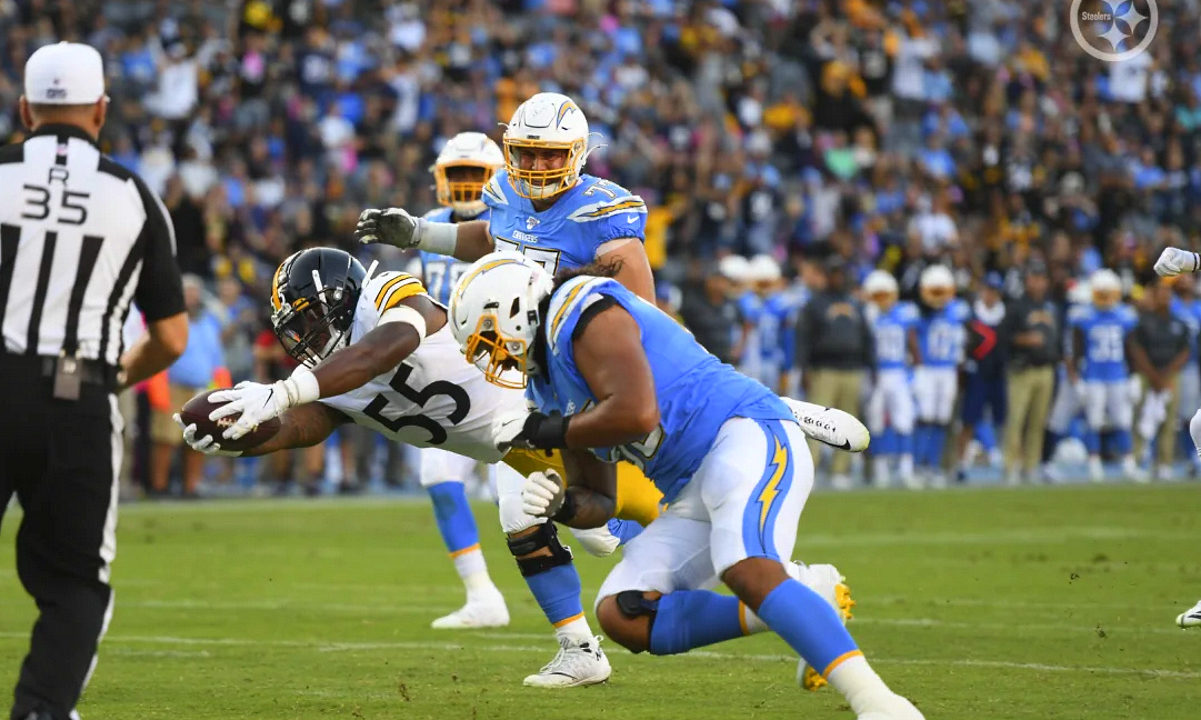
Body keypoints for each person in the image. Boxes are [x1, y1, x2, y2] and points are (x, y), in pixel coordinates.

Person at [448, 252, 920, 720]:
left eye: (491, 341)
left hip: (742, 434)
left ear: (516, 308)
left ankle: (881, 705)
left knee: (746, 566)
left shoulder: (580, 310)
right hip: (688, 487)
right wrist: (561, 505)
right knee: (622, 614)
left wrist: (545, 432)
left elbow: (635, 412)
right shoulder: (547, 386)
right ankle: (806, 599)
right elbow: (603, 500)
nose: (497, 358)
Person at [176, 247, 635, 687]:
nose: (305, 335)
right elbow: (299, 427)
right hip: (515, 449)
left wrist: (285, 390)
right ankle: (580, 649)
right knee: (525, 520)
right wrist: (240, 438)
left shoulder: (382, 296)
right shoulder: (330, 375)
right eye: (296, 326)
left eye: (311, 317)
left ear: (341, 297)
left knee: (622, 528)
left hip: (550, 414)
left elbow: (388, 346)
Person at [0, 42, 188, 720]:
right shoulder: (134, 196)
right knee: (75, 582)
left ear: (24, 109)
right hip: (79, 392)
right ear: (101, 111)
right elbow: (170, 336)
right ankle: (42, 710)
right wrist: (110, 382)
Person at [355, 91, 655, 300]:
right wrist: (420, 233)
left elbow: (642, 312)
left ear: (576, 153)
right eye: (527, 153)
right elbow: (491, 239)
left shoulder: (600, 211)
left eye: (550, 155)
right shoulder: (505, 191)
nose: (537, 166)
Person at [405, 131, 511, 629]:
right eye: (458, 174)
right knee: (438, 476)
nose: (467, 186)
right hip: (449, 374)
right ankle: (482, 595)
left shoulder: (510, 225)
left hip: (508, 374)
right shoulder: (423, 230)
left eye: (476, 174)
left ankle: (645, 536)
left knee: (543, 490)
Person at [796, 256, 875, 489]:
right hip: (824, 368)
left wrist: (872, 366)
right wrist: (803, 368)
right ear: (828, 277)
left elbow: (867, 337)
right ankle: (809, 468)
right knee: (816, 421)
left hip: (853, 369)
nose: (839, 278)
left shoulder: (856, 303)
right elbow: (803, 338)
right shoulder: (815, 304)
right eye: (835, 274)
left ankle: (841, 470)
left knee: (849, 421)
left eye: (842, 274)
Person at [148, 274, 226, 497]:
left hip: (200, 389)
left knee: (199, 440)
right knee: (165, 439)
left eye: (195, 294)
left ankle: (191, 487)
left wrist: (221, 388)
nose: (192, 299)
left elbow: (217, 359)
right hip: (173, 386)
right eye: (188, 294)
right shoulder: (170, 320)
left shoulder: (209, 322)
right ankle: (159, 487)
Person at [1067, 268, 1140, 482]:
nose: (1106, 299)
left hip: (1118, 375)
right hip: (1093, 376)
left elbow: (1131, 349)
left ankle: (1128, 462)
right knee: (1094, 420)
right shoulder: (1083, 317)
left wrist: (1133, 376)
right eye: (1102, 294)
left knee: (1123, 419)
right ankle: (1094, 463)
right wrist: (1077, 379)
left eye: (1109, 294)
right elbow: (1076, 349)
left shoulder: (1125, 316)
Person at [1001, 261, 1059, 485]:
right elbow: (1004, 338)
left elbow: (1057, 337)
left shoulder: (1051, 307)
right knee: (1016, 420)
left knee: (1038, 422)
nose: (1037, 282)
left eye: (1041, 278)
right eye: (1033, 278)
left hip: (1046, 369)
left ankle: (1030, 466)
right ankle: (1010, 467)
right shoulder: (1017, 307)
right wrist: (1025, 339)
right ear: (1027, 281)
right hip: (1022, 369)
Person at [861, 269, 920, 489]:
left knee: (904, 419)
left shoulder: (905, 313)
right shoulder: (868, 315)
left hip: (898, 372)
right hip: (876, 372)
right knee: (875, 421)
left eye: (885, 294)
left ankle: (906, 469)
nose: (882, 300)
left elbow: (912, 342)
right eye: (878, 295)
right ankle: (880, 469)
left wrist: (917, 368)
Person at [912, 265, 969, 487]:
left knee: (942, 419)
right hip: (927, 369)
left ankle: (933, 466)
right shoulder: (919, 312)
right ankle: (918, 465)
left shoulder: (959, 310)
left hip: (948, 370)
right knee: (925, 417)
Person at [1130, 275, 1190, 481]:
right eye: (1160, 293)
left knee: (1169, 420)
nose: (1164, 297)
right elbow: (1136, 349)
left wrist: (1166, 375)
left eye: (1167, 293)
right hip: (1148, 375)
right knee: (1142, 419)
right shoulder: (1144, 321)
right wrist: (1154, 375)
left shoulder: (1178, 323)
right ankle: (1138, 460)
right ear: (1154, 297)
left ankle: (1164, 463)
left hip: (1170, 376)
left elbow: (1184, 351)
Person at [956, 272, 1006, 481]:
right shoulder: (970, 316)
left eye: (995, 292)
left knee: (1001, 419)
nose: (991, 296)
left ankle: (1003, 459)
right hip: (977, 372)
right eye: (988, 290)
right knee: (969, 419)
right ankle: (961, 463)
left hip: (998, 372)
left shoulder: (1005, 316)